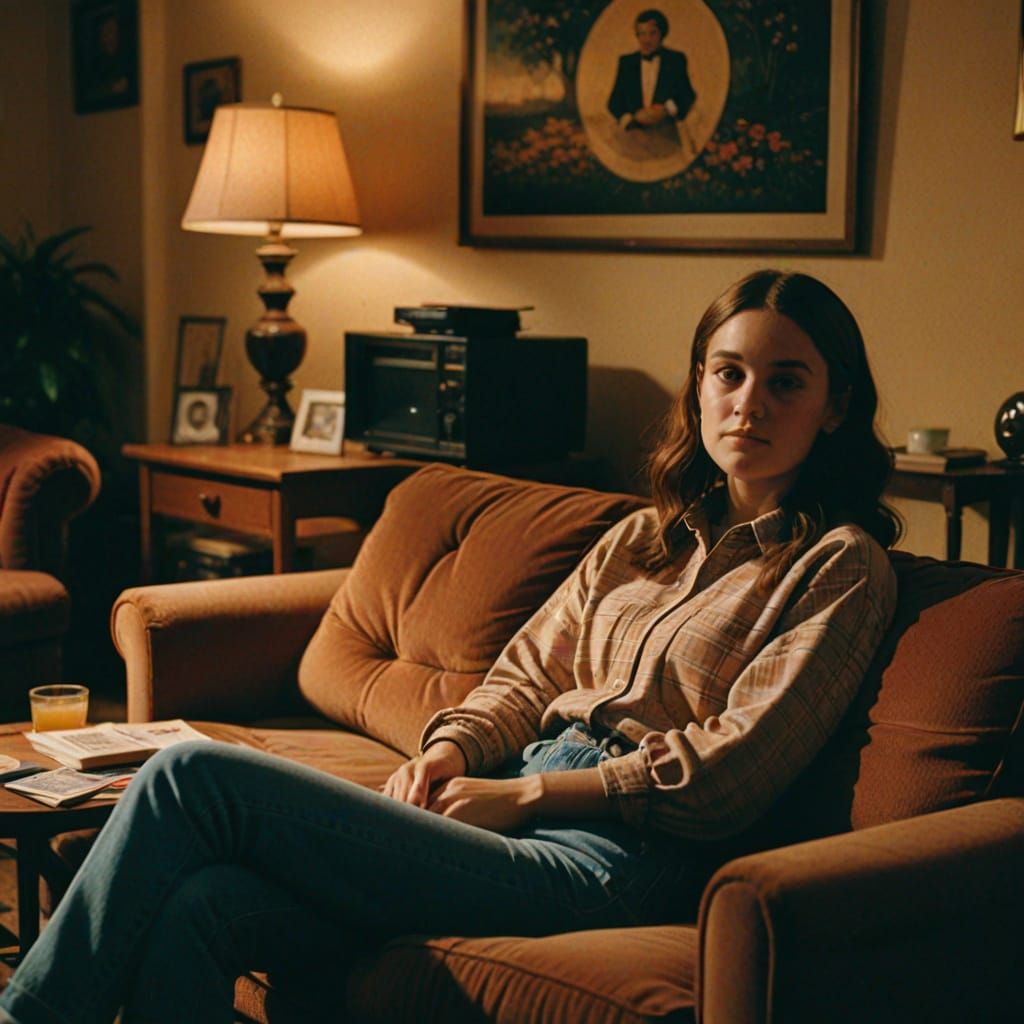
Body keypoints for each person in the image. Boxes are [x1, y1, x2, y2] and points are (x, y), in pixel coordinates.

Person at [0, 270, 900, 1024]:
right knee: (199, 907)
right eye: (728, 373)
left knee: (188, 776)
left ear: (834, 405)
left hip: (617, 865)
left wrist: (528, 792)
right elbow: (527, 672)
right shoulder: (643, 537)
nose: (748, 404)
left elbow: (729, 776)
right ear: (698, 384)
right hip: (509, 810)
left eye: (785, 381)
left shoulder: (839, 566)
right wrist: (448, 748)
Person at [607, 9, 697, 137]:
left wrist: (665, 110)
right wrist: (630, 122)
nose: (646, 40)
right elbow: (614, 101)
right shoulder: (626, 62)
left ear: (662, 34)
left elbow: (687, 95)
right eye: (642, 34)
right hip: (633, 134)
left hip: (665, 133)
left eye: (652, 33)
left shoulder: (675, 60)